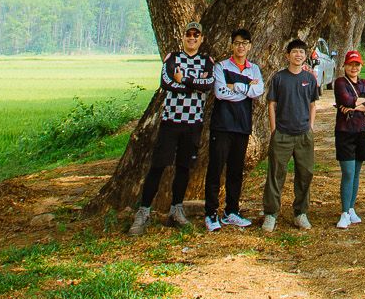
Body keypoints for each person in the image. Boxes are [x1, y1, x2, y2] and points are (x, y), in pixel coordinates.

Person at [132, 21, 213, 235]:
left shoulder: (206, 61)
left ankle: (176, 210)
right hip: (171, 121)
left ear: (201, 39)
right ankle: (143, 212)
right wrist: (194, 83)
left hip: (193, 122)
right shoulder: (172, 58)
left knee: (184, 168)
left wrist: (184, 79)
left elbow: (208, 85)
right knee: (158, 166)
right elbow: (167, 83)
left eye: (196, 35)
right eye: (189, 34)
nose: (192, 38)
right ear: (183, 37)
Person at [204, 27, 262, 230]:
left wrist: (235, 86)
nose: (241, 47)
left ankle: (231, 211)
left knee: (236, 171)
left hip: (242, 125)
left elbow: (258, 91)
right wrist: (245, 87)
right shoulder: (221, 66)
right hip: (222, 124)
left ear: (250, 46)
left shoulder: (253, 68)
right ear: (232, 45)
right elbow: (220, 92)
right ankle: (210, 213)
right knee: (216, 168)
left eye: (244, 43)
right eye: (237, 43)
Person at [262, 36, 322, 231]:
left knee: (305, 174)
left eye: (302, 52)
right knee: (275, 174)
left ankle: (300, 213)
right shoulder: (279, 78)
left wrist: (310, 126)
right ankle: (271, 214)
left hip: (304, 133)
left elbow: (313, 104)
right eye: (294, 52)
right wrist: (274, 129)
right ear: (287, 55)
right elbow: (272, 104)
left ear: (306, 56)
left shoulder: (309, 78)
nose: (298, 55)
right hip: (282, 134)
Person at [332, 48, 365, 227]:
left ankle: (351, 208)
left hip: (362, 131)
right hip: (345, 132)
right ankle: (344, 211)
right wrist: (359, 101)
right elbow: (345, 100)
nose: (354, 68)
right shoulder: (340, 82)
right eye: (351, 64)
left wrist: (355, 104)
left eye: (357, 64)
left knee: (357, 172)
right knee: (348, 172)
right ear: (345, 65)